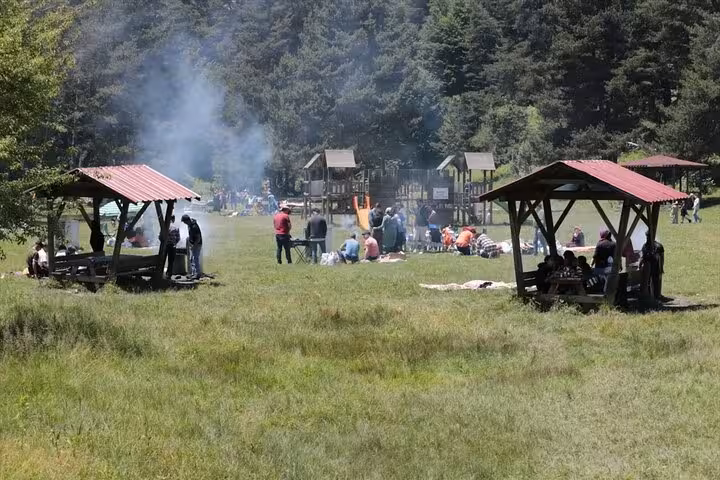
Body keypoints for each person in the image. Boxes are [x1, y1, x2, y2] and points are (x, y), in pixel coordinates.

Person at [181, 214, 203, 279]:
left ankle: (197, 274)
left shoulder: (194, 227)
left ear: (187, 220)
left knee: (195, 259)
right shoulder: (190, 225)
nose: (184, 223)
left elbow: (198, 238)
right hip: (193, 244)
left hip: (197, 244)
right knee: (192, 259)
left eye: (185, 222)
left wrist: (194, 246)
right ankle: (194, 274)